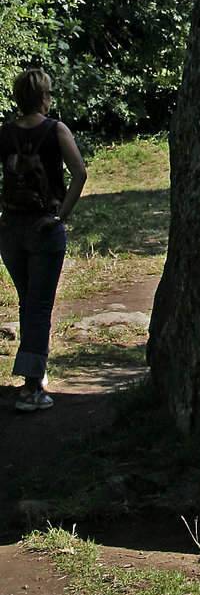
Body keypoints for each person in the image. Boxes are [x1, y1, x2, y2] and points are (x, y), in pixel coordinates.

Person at [0, 66, 87, 411]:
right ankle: (31, 388)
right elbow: (79, 172)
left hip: (10, 231)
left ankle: (34, 369)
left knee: (29, 301)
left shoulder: (4, 134)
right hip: (44, 230)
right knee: (37, 306)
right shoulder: (56, 130)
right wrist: (60, 216)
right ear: (43, 96)